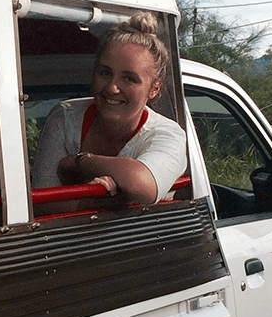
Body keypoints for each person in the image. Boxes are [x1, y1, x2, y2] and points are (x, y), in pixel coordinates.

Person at [31, 12, 187, 208]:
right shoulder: (66, 116)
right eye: (105, 73)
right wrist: (95, 200)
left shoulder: (168, 133)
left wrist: (80, 163)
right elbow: (42, 202)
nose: (112, 87)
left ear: (154, 88)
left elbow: (144, 184)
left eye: (129, 78)